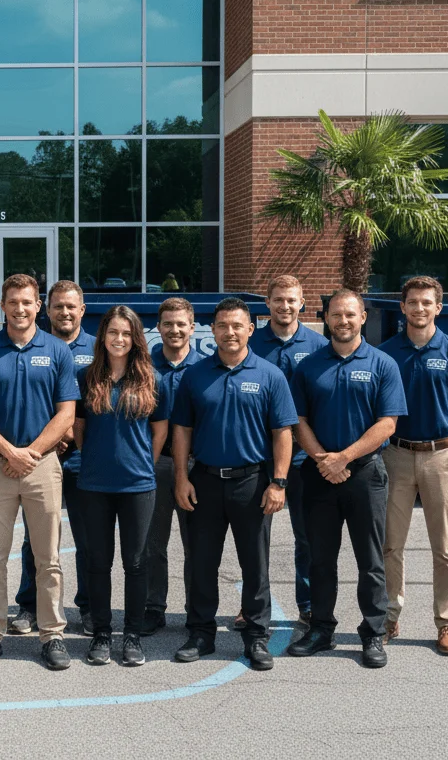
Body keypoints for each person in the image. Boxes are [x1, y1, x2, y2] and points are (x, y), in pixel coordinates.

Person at [171, 298, 297, 672]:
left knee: (255, 564)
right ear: (213, 330)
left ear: (250, 329)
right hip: (204, 481)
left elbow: (283, 433)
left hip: (253, 483)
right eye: (223, 325)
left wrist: (278, 482)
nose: (230, 332)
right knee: (202, 562)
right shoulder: (196, 375)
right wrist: (180, 477)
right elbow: (181, 431)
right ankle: (200, 634)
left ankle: (256, 636)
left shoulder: (270, 375)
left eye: (237, 326)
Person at [0, 273, 79, 670]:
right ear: (2, 306)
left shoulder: (57, 351)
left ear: (38, 305)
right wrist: (9, 451)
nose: (20, 308)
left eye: (27, 302)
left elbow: (67, 412)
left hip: (42, 466)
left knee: (48, 557)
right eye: (13, 302)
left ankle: (52, 635)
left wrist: (30, 452)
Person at [287, 290, 406, 669]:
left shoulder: (382, 364)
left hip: (366, 474)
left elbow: (387, 423)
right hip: (318, 474)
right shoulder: (308, 366)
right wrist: (325, 460)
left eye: (350, 314)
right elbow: (297, 421)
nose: (343, 321)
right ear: (325, 317)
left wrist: (344, 458)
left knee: (370, 559)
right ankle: (321, 629)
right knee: (320, 559)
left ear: (362, 317)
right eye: (336, 314)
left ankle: (373, 633)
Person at [377, 276, 448, 655]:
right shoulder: (386, 354)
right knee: (390, 545)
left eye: (426, 302)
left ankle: (447, 624)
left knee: (446, 548)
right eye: (412, 302)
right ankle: (388, 618)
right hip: (396, 456)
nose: (419, 308)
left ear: (438, 307)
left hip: (440, 458)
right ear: (401, 307)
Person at [75, 305, 168, 667]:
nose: (119, 339)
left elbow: (159, 430)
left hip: (138, 484)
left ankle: (131, 634)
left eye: (126, 334)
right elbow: (79, 426)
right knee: (98, 562)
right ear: (103, 337)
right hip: (95, 484)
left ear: (136, 339)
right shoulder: (86, 377)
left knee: (136, 562)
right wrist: (95, 457)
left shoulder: (151, 379)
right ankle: (101, 633)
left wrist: (143, 459)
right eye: (113, 332)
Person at [12, 280, 96, 637]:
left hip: (83, 457)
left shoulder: (99, 350)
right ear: (47, 311)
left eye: (71, 307)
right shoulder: (33, 347)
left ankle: (90, 607)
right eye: (58, 306)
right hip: (39, 455)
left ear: (82, 310)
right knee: (37, 537)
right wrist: (46, 442)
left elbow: (100, 404)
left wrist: (68, 436)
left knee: (88, 537)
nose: (64, 312)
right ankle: (30, 606)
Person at [248, 275, 328, 634]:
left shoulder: (318, 345)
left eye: (292, 300)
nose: (285, 306)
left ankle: (308, 607)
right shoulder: (251, 343)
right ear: (267, 303)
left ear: (302, 304)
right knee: (253, 539)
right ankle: (251, 606)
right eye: (278, 300)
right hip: (256, 456)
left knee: (307, 538)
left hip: (303, 459)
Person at [144, 297, 203, 635]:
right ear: (159, 327)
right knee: (153, 543)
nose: (175, 330)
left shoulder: (206, 368)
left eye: (181, 324)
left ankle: (196, 609)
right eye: (168, 324)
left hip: (197, 466)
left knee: (197, 543)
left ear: (192, 327)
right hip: (156, 463)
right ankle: (154, 607)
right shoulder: (144, 368)